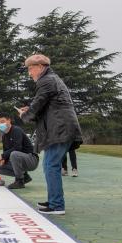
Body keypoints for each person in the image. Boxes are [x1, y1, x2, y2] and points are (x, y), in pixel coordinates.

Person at [17, 54, 82, 215]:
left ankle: (57, 205)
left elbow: (37, 105)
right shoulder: (52, 79)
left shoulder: (45, 81)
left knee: (51, 166)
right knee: (49, 166)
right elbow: (46, 107)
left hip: (60, 129)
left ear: (40, 67)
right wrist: (31, 111)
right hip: (60, 128)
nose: (29, 73)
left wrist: (25, 115)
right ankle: (54, 200)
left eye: (30, 69)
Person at [0, 113, 38, 189]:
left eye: (2, 121)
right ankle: (25, 177)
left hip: (31, 159)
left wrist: (2, 156)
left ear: (9, 120)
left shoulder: (16, 130)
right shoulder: (4, 136)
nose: (0, 124)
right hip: (19, 159)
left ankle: (19, 181)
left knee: (14, 154)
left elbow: (17, 148)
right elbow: (6, 151)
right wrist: (4, 159)